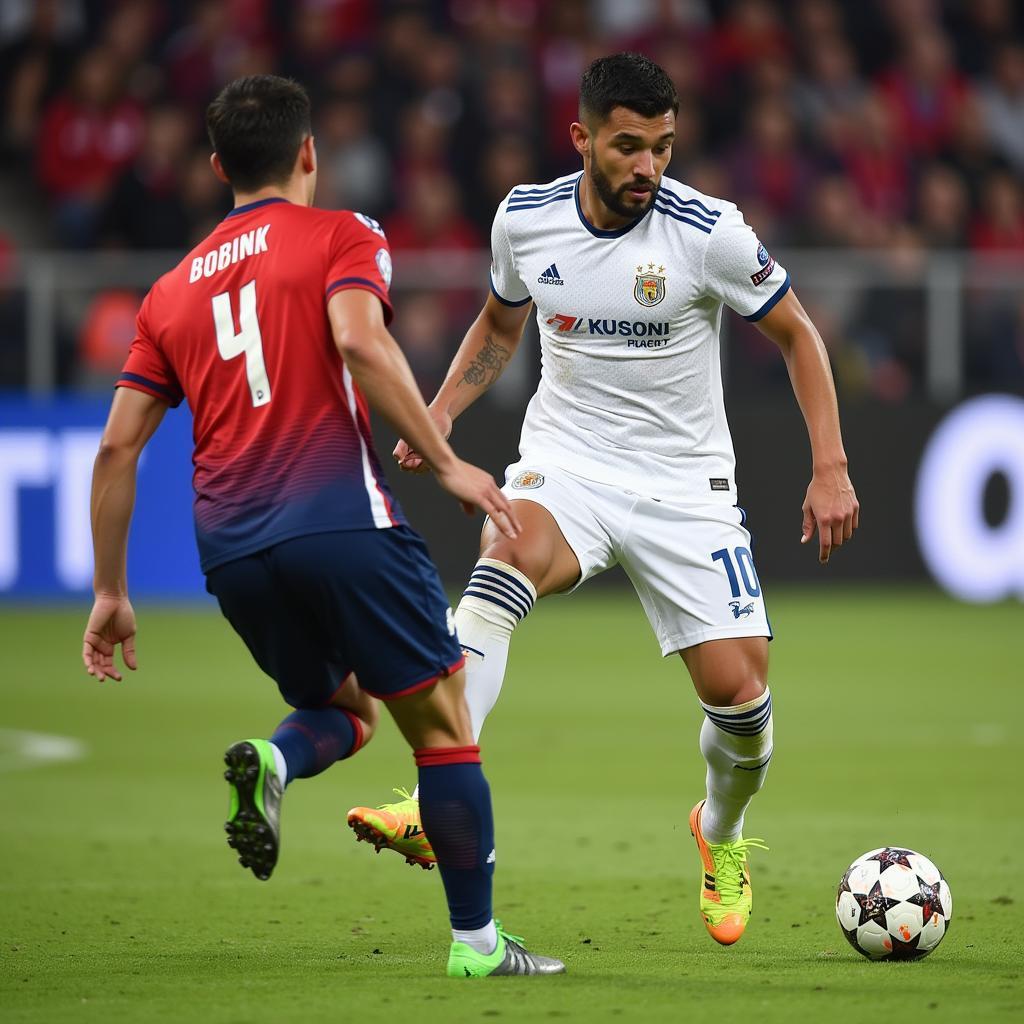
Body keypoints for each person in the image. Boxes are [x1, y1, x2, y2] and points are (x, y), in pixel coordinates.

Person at [347, 53, 859, 948]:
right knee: (500, 563)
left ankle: (720, 832)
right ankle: (437, 795)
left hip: (686, 488)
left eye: (662, 148)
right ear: (582, 138)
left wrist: (830, 465)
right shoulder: (526, 219)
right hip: (567, 464)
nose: (647, 169)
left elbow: (798, 335)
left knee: (741, 704)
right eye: (628, 147)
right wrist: (440, 414)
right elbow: (502, 324)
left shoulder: (711, 233)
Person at [80, 74, 563, 979]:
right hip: (341, 520)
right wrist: (449, 459)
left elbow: (115, 451)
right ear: (309, 154)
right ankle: (477, 947)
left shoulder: (168, 294)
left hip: (231, 550)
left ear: (217, 166)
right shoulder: (344, 233)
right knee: (445, 724)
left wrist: (111, 591)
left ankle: (273, 758)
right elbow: (358, 339)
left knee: (344, 706)